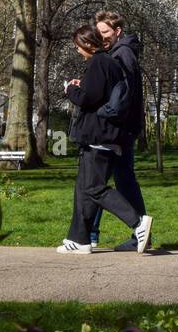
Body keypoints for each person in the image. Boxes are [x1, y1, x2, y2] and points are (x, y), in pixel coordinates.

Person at [59, 25, 152, 255]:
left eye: (78, 45)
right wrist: (82, 87)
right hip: (102, 135)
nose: (76, 49)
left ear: (87, 44)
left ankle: (138, 223)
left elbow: (88, 99)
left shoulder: (98, 63)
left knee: (95, 188)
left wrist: (70, 89)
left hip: (98, 136)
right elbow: (98, 93)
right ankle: (79, 239)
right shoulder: (108, 63)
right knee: (83, 189)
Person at [87, 10, 148, 251]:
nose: (101, 37)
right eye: (98, 32)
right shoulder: (120, 52)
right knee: (109, 182)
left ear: (117, 32)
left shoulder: (122, 55)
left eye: (105, 32)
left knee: (99, 183)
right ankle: (92, 233)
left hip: (119, 130)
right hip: (122, 129)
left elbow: (121, 97)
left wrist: (100, 112)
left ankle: (137, 230)